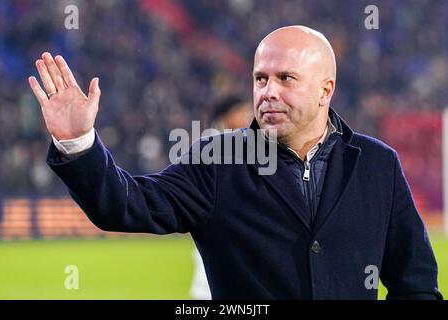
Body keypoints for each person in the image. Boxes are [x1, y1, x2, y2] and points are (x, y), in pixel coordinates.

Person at [28, 25, 442, 299]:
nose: (268, 91)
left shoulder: (376, 164)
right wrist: (78, 141)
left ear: (325, 90)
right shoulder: (217, 160)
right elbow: (126, 205)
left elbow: (415, 282)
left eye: (286, 79)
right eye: (260, 79)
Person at [190, 96, 252, 300]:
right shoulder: (212, 144)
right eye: (242, 112)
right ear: (227, 116)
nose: (248, 117)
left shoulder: (243, 143)